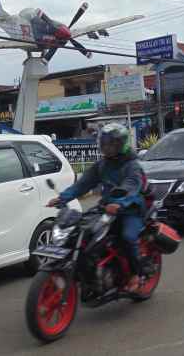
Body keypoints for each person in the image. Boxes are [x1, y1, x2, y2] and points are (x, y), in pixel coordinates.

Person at [48, 123, 147, 294]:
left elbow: (131, 185)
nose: (107, 148)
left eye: (111, 144)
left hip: (130, 209)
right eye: (105, 144)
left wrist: (120, 203)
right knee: (83, 232)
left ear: (121, 144)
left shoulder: (132, 165)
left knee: (127, 237)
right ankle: (89, 273)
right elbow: (82, 185)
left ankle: (136, 275)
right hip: (106, 208)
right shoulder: (102, 165)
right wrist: (62, 198)